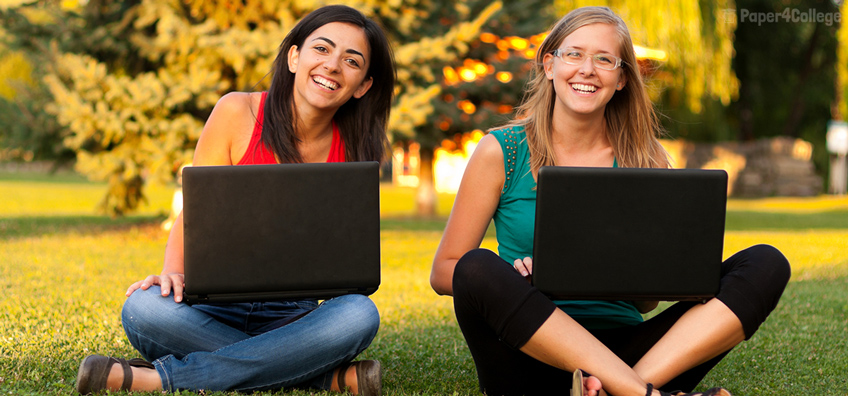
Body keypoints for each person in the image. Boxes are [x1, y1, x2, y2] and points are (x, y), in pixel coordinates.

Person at [430, 6, 790, 396]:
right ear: (549, 65)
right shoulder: (502, 151)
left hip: (631, 351)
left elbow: (647, 304)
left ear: (620, 79)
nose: (587, 69)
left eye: (604, 59)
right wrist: (513, 279)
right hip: (528, 353)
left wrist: (644, 276)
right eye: (574, 54)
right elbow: (446, 272)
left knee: (767, 263)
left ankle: (616, 388)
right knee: (476, 266)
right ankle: (640, 393)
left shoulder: (646, 159)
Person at [75, 5, 395, 395]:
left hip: (293, 316)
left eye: (351, 61)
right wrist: (172, 271)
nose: (332, 66)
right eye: (322, 49)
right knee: (142, 309)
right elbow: (195, 210)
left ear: (362, 85)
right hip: (209, 306)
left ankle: (159, 379)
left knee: (359, 314)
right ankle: (317, 375)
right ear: (294, 57)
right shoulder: (236, 111)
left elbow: (344, 256)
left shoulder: (358, 148)